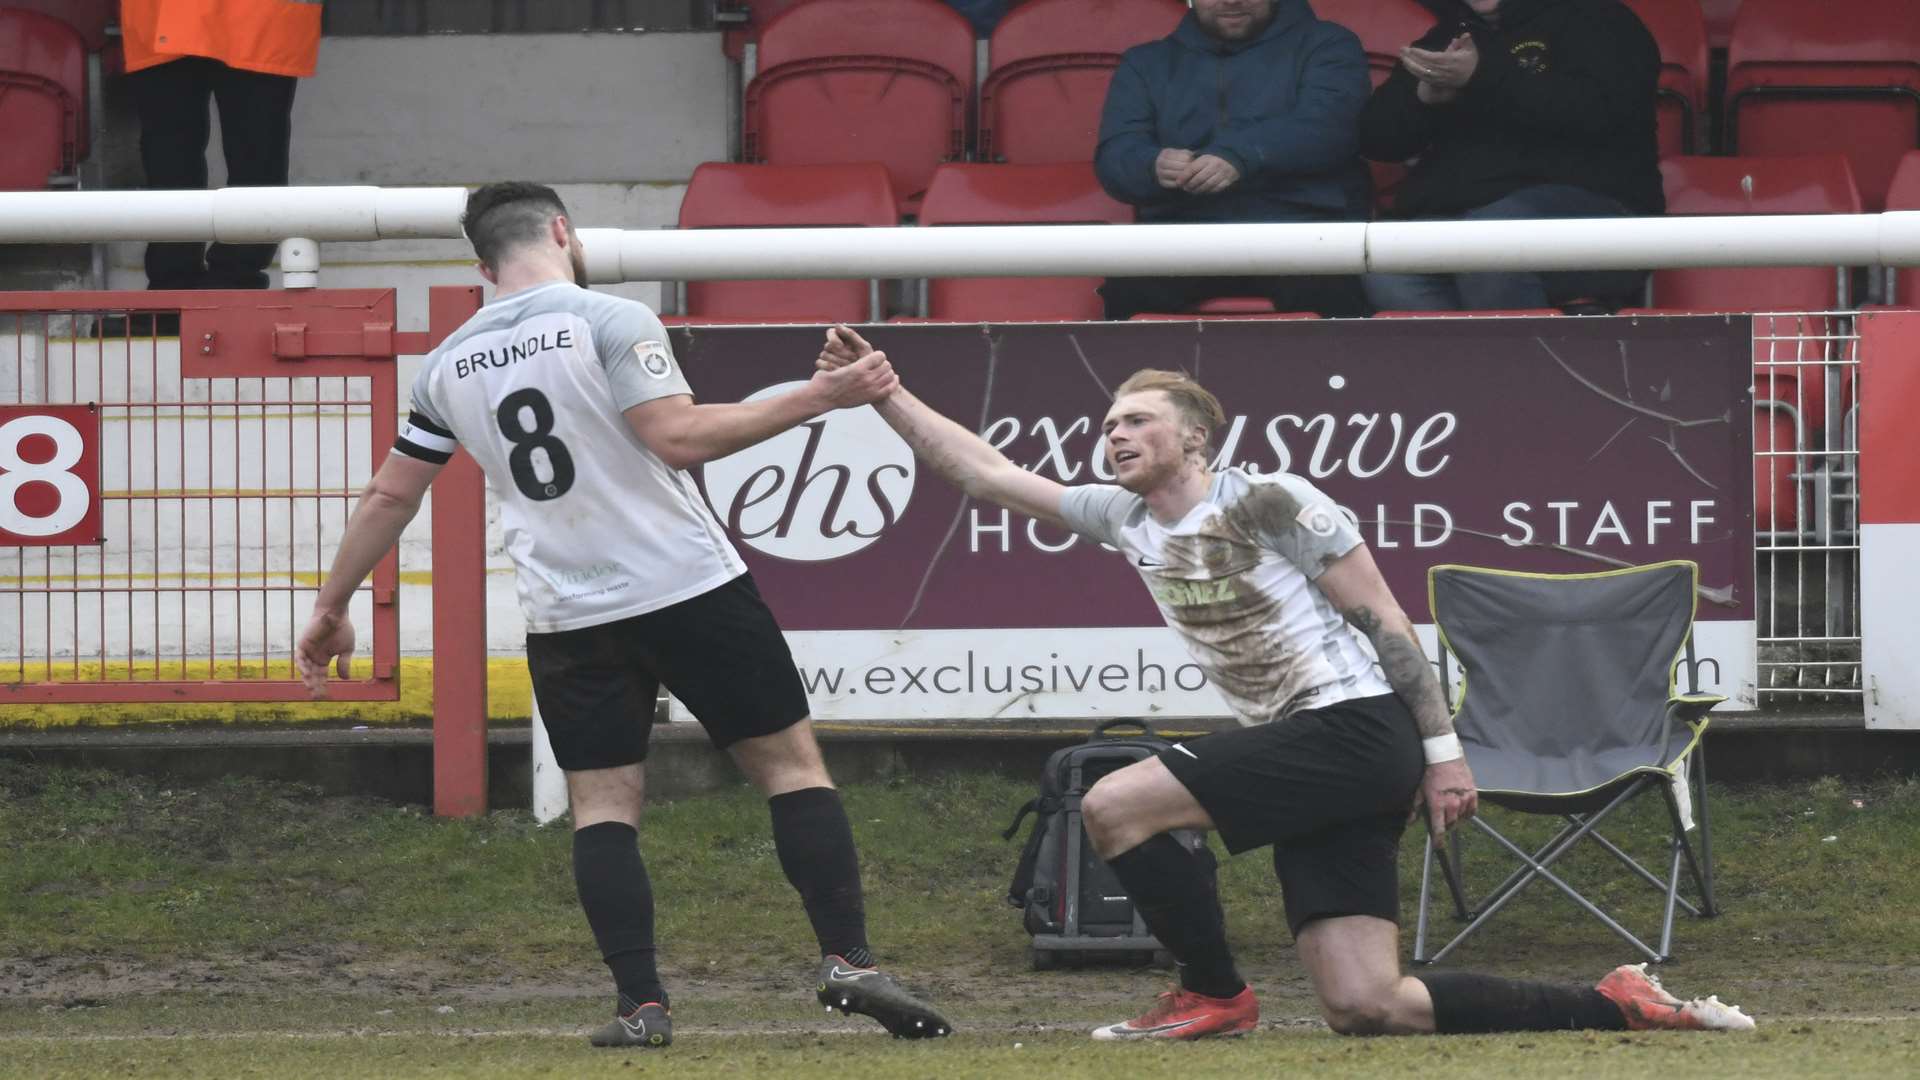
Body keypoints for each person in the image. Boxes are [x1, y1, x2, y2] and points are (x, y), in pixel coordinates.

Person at [816, 324, 1756, 1041]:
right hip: (1321, 755)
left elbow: (1386, 620)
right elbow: (984, 474)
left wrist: (1444, 755)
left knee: (1114, 805)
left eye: (1138, 419)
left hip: (1357, 731)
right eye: (1107, 425)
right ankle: (1615, 1005)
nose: (1116, 435)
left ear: (1197, 437)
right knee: (1368, 1004)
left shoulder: (1273, 500)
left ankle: (1214, 994)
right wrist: (884, 390)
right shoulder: (1123, 516)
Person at [293, 183, 952, 1049]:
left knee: (603, 806)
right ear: (563, 232)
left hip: (567, 611)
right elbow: (677, 437)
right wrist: (823, 394)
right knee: (792, 771)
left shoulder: (446, 363)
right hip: (686, 587)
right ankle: (849, 963)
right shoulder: (609, 318)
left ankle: (641, 1006)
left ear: (481, 264)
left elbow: (391, 492)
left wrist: (332, 605)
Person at [1357, 0, 1663, 312]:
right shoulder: (1450, 34)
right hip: (1459, 214)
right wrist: (1423, 100)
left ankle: (1521, 360)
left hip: (1595, 206)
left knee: (1491, 239)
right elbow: (1376, 139)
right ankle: (1462, 360)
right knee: (1388, 263)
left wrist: (1483, 77)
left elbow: (1600, 114)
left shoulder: (1601, 19)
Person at [1093, 0, 1373, 320]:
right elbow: (1115, 156)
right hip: (1183, 237)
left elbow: (1331, 127)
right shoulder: (1145, 62)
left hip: (1304, 234)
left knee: (1332, 295)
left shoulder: (1328, 44)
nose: (1231, 0)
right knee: (1127, 293)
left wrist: (1241, 157)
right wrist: (1152, 165)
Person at [120, 0, 321, 296]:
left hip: (253, 18)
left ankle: (226, 279)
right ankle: (185, 283)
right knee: (172, 163)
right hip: (169, 21)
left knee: (252, 158)